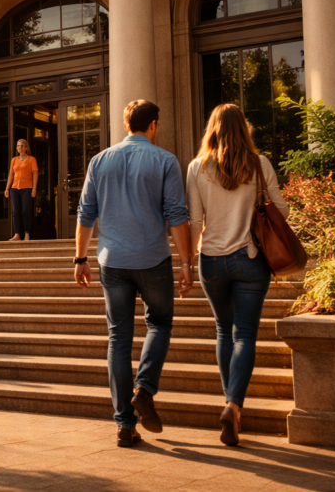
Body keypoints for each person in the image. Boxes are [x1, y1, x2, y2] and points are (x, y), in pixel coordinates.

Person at [73, 100, 192, 447]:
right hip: (153, 259)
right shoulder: (165, 160)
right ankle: (145, 388)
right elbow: (176, 215)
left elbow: (85, 214)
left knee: (118, 339)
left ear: (126, 125)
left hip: (112, 261)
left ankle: (125, 425)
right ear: (152, 125)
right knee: (159, 323)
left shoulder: (99, 160)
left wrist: (80, 259)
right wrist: (186, 262)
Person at [186, 104, 289, 446]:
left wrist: (189, 259)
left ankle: (228, 400)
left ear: (211, 128)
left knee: (223, 331)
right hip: (249, 257)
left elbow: (196, 221)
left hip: (211, 261)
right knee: (244, 334)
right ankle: (233, 405)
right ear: (243, 128)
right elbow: (282, 209)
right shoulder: (259, 164)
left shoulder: (197, 167)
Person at [4, 139, 39, 241]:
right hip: (15, 188)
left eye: (22, 146)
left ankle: (27, 234)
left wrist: (34, 188)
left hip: (27, 188)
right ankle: (17, 234)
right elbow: (11, 174)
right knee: (15, 212)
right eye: (18, 146)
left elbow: (35, 174)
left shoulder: (31, 159)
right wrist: (7, 188)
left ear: (26, 148)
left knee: (25, 211)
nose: (20, 147)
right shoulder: (14, 160)